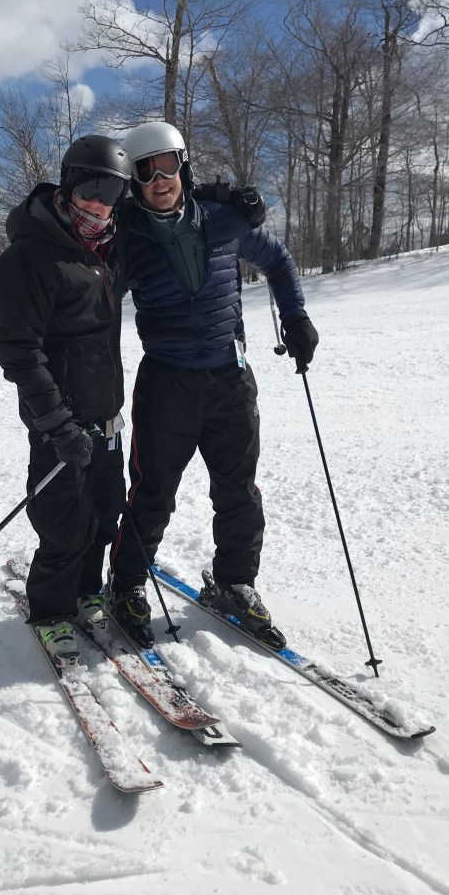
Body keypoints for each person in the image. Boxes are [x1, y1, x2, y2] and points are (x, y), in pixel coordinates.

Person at [107, 121, 318, 648]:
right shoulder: (126, 239)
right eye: (145, 171)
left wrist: (295, 316)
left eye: (167, 166)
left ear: (183, 166)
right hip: (166, 384)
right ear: (133, 182)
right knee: (152, 493)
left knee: (238, 490)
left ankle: (235, 581)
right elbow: (96, 304)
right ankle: (127, 583)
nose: (159, 180)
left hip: (230, 377)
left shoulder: (225, 219)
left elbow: (278, 260)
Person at [0, 135, 132, 666]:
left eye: (111, 193)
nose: (99, 203)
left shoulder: (106, 251)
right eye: (90, 187)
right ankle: (51, 610)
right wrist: (56, 422)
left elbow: (168, 205)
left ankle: (86, 591)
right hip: (61, 422)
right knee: (63, 520)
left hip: (106, 417)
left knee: (105, 512)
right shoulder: (27, 257)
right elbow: (19, 352)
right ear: (68, 184)